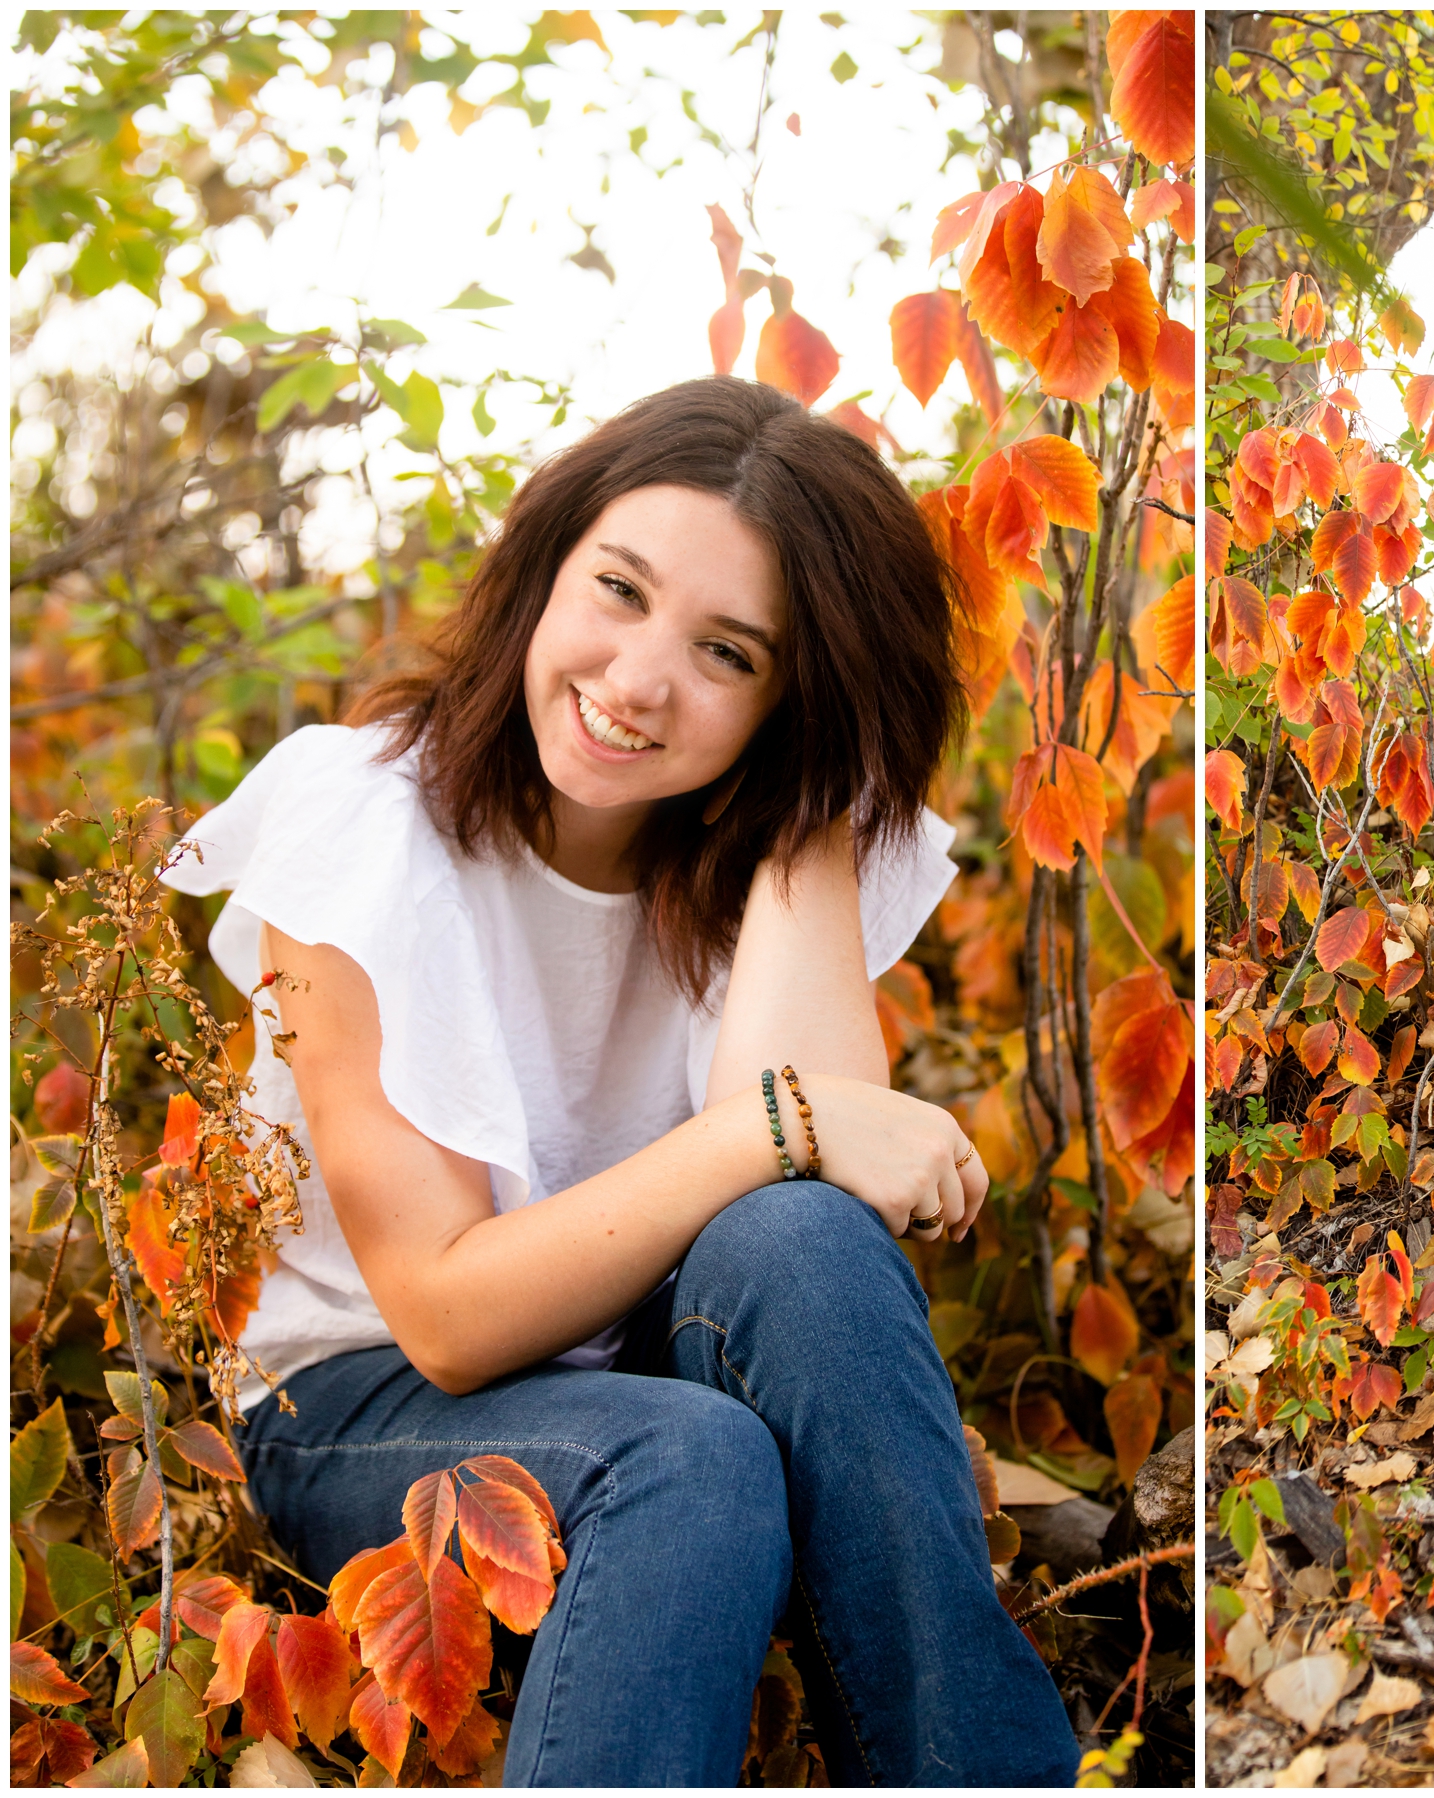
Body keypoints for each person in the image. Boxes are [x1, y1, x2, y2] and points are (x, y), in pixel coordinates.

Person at [164, 377, 1084, 1785]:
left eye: (727, 652)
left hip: (634, 1350)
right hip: (357, 1403)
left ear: (793, 700)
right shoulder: (359, 824)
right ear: (549, 564)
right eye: (618, 588)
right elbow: (451, 1320)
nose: (640, 679)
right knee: (691, 1459)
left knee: (802, 1234)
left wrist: (807, 813)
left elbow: (820, 1229)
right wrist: (779, 1128)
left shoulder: (763, 836)